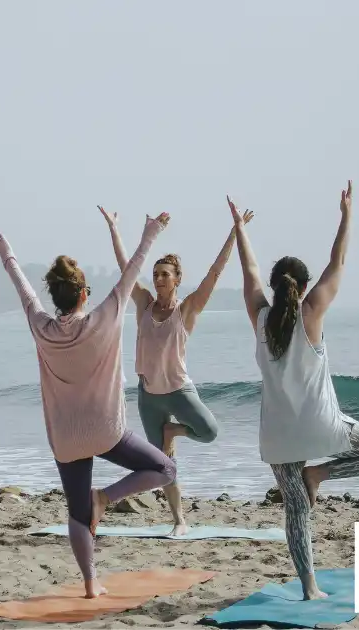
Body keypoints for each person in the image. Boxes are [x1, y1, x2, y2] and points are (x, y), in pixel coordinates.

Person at [0, 212, 177, 599]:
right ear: (84, 293)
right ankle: (105, 498)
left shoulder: (40, 326)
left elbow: (25, 292)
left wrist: (7, 255)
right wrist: (151, 234)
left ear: (56, 297)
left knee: (76, 513)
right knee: (165, 469)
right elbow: (133, 272)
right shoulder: (104, 318)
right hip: (106, 432)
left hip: (66, 439)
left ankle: (91, 585)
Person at [229, 182, 359, 599]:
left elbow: (248, 272)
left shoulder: (259, 317)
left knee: (296, 510)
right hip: (322, 427)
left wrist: (240, 229)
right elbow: (338, 260)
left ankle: (309, 588)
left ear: (274, 287)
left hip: (278, 436)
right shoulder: (312, 313)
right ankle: (320, 472)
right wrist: (346, 214)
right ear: (304, 287)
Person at [99, 205, 254, 536]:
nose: (158, 279)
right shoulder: (142, 303)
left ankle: (174, 432)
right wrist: (114, 228)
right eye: (155, 274)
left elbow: (215, 272)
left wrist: (234, 232)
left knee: (209, 431)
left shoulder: (188, 309)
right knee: (164, 467)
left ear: (177, 279)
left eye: (164, 274)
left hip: (179, 391)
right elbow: (127, 267)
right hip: (149, 396)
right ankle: (179, 520)